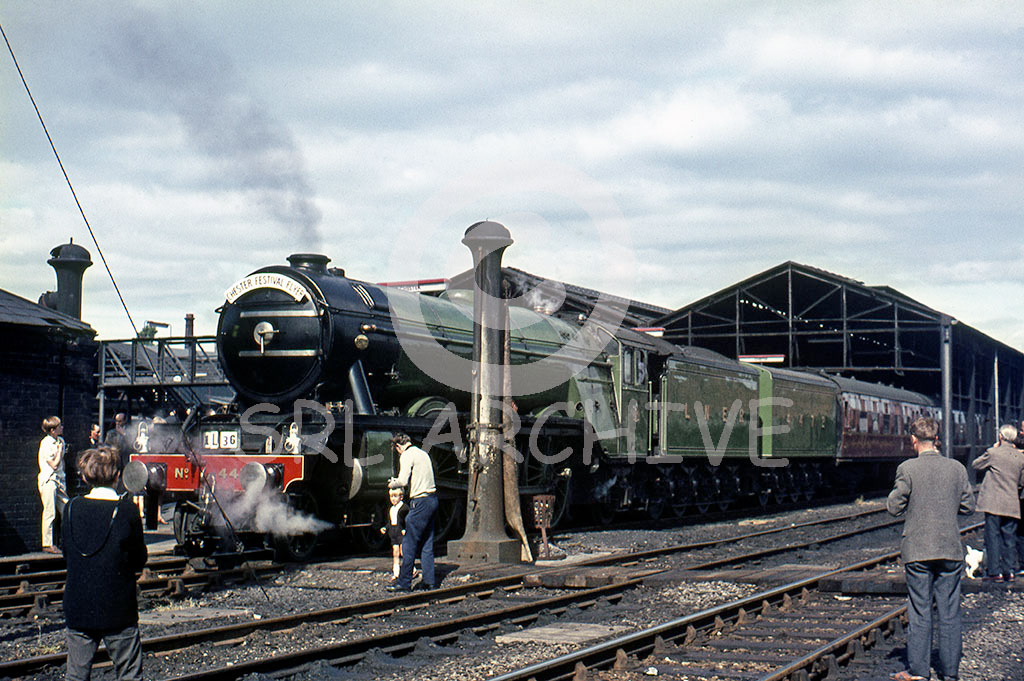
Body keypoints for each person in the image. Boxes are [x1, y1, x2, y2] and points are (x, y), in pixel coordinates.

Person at [887, 417, 974, 681]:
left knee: (920, 609)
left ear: (913, 440)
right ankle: (950, 673)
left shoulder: (907, 468)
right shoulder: (956, 468)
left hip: (918, 550)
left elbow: (893, 507)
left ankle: (919, 671)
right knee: (949, 611)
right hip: (949, 549)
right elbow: (968, 507)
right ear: (937, 440)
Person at [62, 446, 147, 681]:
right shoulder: (128, 511)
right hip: (118, 607)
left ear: (84, 476)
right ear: (118, 476)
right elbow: (139, 559)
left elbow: (66, 554)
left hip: (78, 605)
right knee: (129, 674)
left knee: (76, 675)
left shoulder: (70, 509)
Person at [970, 423, 1024, 581]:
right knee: (1009, 537)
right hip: (1012, 503)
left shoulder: (993, 453)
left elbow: (975, 464)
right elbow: (1021, 482)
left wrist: (993, 448)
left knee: (993, 536)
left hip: (993, 504)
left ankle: (995, 571)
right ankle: (1010, 571)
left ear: (1000, 436)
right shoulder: (1020, 457)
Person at [386, 433, 437, 592]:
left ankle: (404, 582)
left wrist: (391, 483)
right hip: (433, 499)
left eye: (397, 451)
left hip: (420, 501)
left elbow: (403, 480)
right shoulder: (423, 453)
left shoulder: (407, 455)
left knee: (408, 543)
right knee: (426, 543)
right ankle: (429, 581)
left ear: (398, 446)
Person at [38, 416, 67, 554]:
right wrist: (60, 451)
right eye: (59, 426)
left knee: (67, 509)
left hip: (59, 480)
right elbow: (54, 465)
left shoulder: (60, 441)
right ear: (52, 430)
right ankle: (47, 544)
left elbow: (62, 465)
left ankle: (67, 541)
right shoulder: (46, 443)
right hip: (49, 480)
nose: (62, 427)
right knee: (50, 512)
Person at [381, 487, 409, 582]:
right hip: (393, 531)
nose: (393, 499)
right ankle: (396, 573)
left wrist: (405, 528)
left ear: (401, 497)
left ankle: (411, 570)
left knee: (403, 551)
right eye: (391, 496)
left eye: (395, 496)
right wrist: (386, 527)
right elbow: (390, 521)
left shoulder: (404, 508)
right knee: (395, 553)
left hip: (401, 531)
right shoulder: (391, 509)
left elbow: (407, 519)